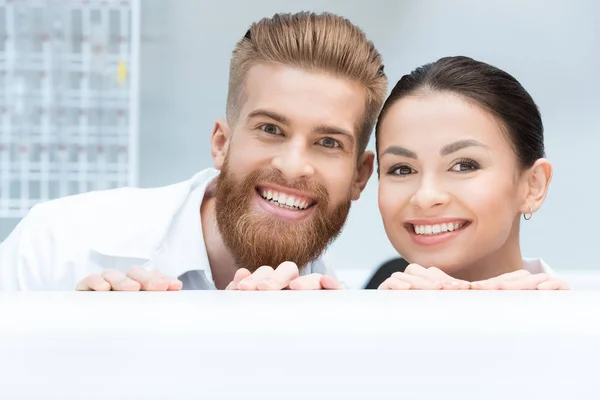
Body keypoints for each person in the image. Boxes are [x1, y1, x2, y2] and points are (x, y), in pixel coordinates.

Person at [0, 11, 388, 291]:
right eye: (270, 129)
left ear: (359, 176)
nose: (292, 166)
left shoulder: (343, 316)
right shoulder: (55, 244)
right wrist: (68, 349)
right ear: (221, 143)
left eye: (328, 143)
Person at [373, 56, 568, 290]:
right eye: (402, 169)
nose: (425, 197)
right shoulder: (350, 305)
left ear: (533, 186)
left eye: (463, 166)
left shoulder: (578, 322)